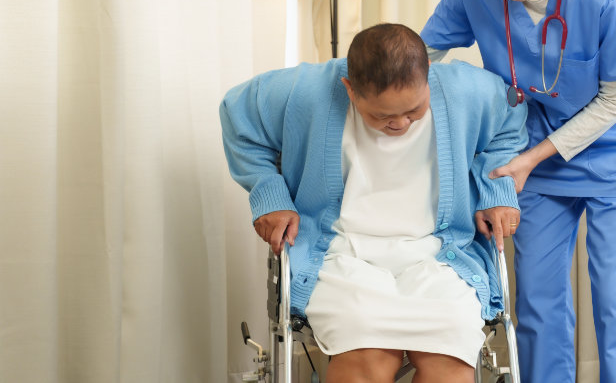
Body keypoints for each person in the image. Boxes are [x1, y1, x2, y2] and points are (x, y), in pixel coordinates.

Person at [421, 0, 616, 382]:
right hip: (535, 154)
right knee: (535, 298)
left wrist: (533, 158)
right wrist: (359, 82)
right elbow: (420, 55)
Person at [219, 23, 528, 383]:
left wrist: (495, 192)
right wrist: (269, 194)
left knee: (449, 359)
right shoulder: (309, 89)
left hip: (439, 256)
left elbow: (509, 124)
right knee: (369, 359)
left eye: (414, 110)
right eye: (382, 115)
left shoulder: (463, 89)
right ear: (350, 89)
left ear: (429, 76)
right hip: (340, 256)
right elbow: (236, 114)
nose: (400, 123)